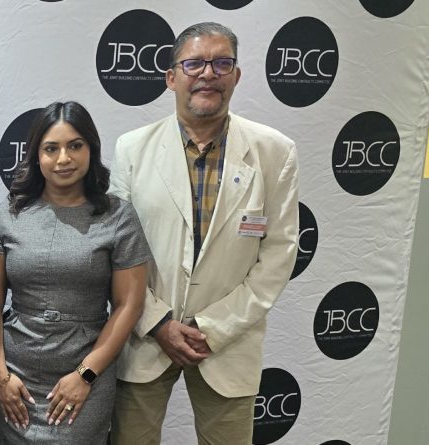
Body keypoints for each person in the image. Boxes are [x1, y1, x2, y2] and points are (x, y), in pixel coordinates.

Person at [109, 22, 299, 444]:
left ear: (237, 75)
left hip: (229, 343)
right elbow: (116, 252)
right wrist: (158, 323)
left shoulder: (275, 152)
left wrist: (214, 327)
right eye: (194, 63)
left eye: (221, 63)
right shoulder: (132, 149)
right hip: (145, 338)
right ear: (171, 77)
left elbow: (279, 255)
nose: (208, 74)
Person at [0, 101, 150, 444]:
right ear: (36, 155)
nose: (63, 159)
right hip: (16, 379)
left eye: (75, 146)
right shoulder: (10, 214)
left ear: (91, 149)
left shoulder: (118, 217)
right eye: (51, 148)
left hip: (85, 373)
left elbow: (129, 304)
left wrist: (85, 375)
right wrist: (0, 378)